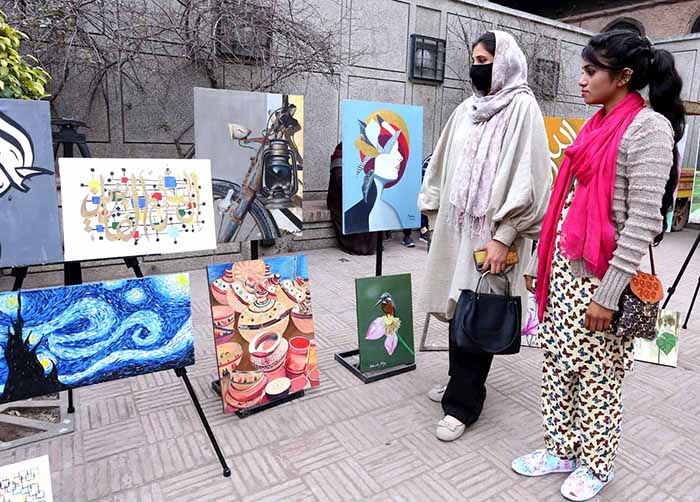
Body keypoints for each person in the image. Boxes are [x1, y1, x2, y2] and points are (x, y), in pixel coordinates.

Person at [511, 31, 683, 501]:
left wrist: (608, 295)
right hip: (563, 274)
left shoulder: (648, 129)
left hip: (601, 279)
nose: (581, 80)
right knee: (557, 365)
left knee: (597, 376)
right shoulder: (595, 123)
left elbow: (643, 221)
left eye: (591, 71)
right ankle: (560, 448)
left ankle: (598, 463)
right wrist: (537, 262)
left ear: (624, 77)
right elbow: (565, 199)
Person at [418, 31, 551, 441]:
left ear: (505, 63)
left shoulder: (523, 109)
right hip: (455, 230)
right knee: (459, 307)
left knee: (481, 310)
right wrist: (433, 211)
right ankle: (460, 379)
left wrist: (505, 234)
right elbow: (441, 164)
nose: (476, 66)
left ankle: (463, 404)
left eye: (483, 59)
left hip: (492, 236)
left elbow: (532, 179)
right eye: (473, 58)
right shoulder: (467, 109)